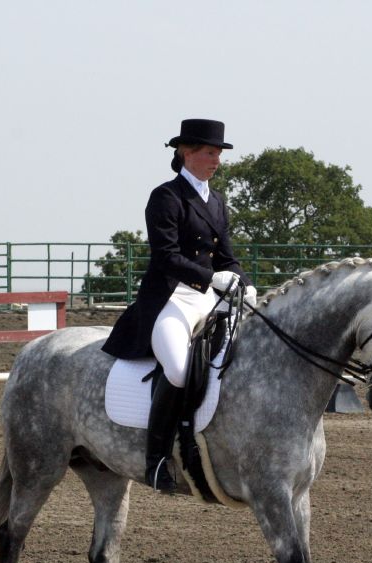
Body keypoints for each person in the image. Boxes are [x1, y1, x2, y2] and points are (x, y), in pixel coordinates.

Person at [102, 118, 256, 492]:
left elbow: (227, 256)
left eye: (219, 152)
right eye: (209, 152)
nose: (216, 159)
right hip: (171, 298)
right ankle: (156, 460)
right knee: (179, 369)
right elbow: (166, 256)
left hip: (210, 298)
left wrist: (242, 282)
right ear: (187, 153)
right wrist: (210, 278)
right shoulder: (166, 197)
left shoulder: (216, 200)